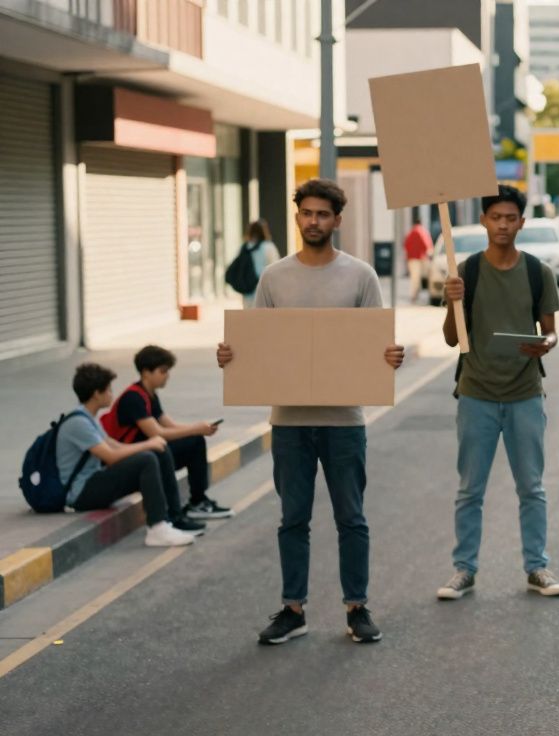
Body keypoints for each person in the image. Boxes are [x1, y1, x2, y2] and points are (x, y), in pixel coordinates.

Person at [216, 178, 405, 646]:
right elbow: (257, 347)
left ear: (337, 220)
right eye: (307, 213)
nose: (314, 221)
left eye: (323, 214)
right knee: (292, 519)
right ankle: (293, 609)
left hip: (345, 421)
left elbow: (374, 347)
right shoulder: (274, 278)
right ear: (297, 216)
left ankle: (357, 607)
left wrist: (389, 358)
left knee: (352, 518)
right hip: (289, 422)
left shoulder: (360, 275)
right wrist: (231, 357)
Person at [436, 185, 559, 601]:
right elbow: (451, 339)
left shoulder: (537, 272)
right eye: (496, 217)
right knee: (470, 488)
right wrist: (451, 299)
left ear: (522, 222)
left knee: (532, 487)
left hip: (525, 392)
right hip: (476, 391)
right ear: (484, 221)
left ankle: (537, 567)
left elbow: (550, 333)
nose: (504, 225)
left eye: (511, 218)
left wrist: (543, 344)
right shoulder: (467, 273)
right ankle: (464, 570)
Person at [58, 363, 205, 547]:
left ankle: (172, 519)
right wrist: (147, 445)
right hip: (81, 494)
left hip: (93, 482)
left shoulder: (88, 418)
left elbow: (115, 445)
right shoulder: (78, 423)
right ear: (97, 393)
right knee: (146, 459)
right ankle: (157, 528)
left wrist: (150, 445)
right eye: (109, 390)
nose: (112, 394)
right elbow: (110, 456)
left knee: (156, 452)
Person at [108, 344, 230, 520]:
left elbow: (169, 425)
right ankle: (174, 514)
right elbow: (158, 433)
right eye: (163, 371)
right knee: (182, 443)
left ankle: (198, 501)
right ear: (146, 372)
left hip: (145, 454)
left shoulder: (149, 394)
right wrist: (196, 429)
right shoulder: (133, 397)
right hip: (129, 461)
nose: (167, 376)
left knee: (194, 442)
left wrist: (200, 428)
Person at [236, 220, 280, 308]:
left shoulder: (245, 247)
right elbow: (277, 269)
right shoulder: (269, 247)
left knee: (249, 319)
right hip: (265, 292)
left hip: (248, 292)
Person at [405, 213, 434, 304]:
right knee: (417, 277)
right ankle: (414, 295)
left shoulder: (411, 231)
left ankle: (415, 294)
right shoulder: (421, 231)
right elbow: (426, 243)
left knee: (415, 277)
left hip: (412, 258)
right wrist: (430, 253)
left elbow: (406, 244)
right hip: (419, 258)